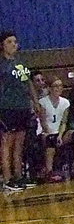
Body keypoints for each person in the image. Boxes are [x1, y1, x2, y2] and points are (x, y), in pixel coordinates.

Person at [0, 32, 35, 191]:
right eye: (9, 42)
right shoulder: (2, 65)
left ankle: (19, 176)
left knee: (20, 143)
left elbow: (28, 83)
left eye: (15, 41)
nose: (14, 44)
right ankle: (7, 179)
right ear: (3, 45)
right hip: (7, 107)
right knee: (7, 142)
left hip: (23, 107)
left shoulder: (21, 62)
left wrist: (34, 101)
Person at [36, 76, 73, 182]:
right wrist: (49, 133)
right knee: (51, 139)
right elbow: (43, 121)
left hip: (59, 132)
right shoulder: (43, 102)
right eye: (55, 86)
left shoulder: (65, 102)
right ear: (49, 88)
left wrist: (60, 135)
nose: (59, 88)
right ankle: (49, 171)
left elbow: (64, 122)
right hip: (45, 132)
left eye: (60, 86)